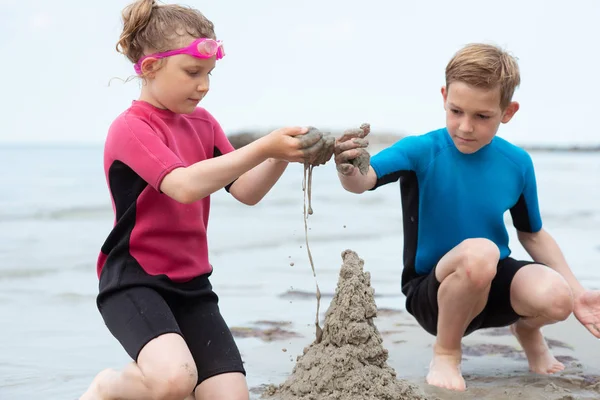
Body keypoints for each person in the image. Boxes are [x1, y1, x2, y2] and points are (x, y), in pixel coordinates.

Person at [80, 1, 329, 399]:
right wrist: (264, 145)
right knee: (175, 380)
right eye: (193, 73)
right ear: (149, 68)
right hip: (134, 281)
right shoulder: (131, 128)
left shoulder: (204, 123)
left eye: (209, 74)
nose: (204, 85)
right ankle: (109, 387)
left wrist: (284, 155)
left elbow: (246, 191)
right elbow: (183, 185)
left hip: (193, 285)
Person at [334, 43, 600, 392]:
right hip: (433, 289)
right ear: (444, 96)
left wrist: (578, 292)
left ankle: (527, 330)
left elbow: (532, 233)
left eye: (482, 116)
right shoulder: (421, 149)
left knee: (557, 296)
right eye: (456, 110)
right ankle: (446, 352)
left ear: (508, 111)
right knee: (480, 253)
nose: (465, 126)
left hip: (494, 282)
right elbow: (362, 182)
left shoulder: (517, 163)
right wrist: (347, 167)